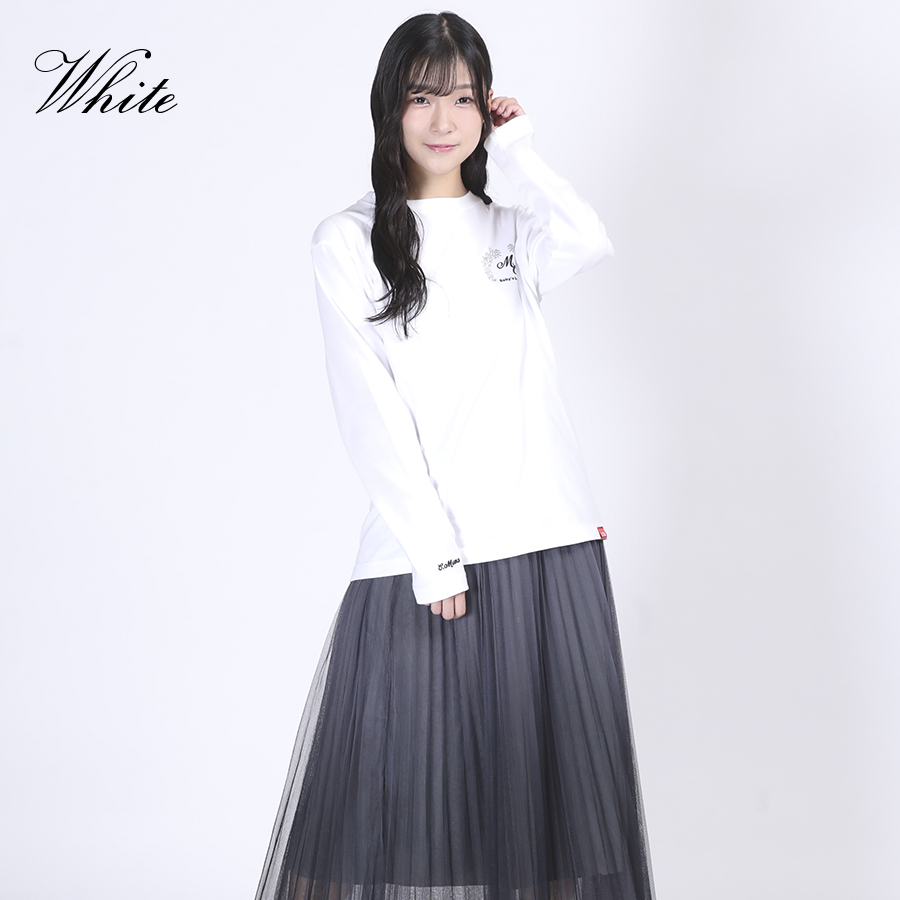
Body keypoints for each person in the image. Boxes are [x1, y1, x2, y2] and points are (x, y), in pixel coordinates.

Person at [254, 11, 655, 900]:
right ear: (389, 108)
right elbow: (369, 412)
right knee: (387, 827)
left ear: (487, 110)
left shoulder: (511, 228)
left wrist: (521, 152)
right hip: (430, 560)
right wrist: (434, 555)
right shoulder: (349, 240)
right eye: (422, 97)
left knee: (548, 834)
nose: (444, 120)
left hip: (549, 545)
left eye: (465, 99)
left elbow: (588, 237)